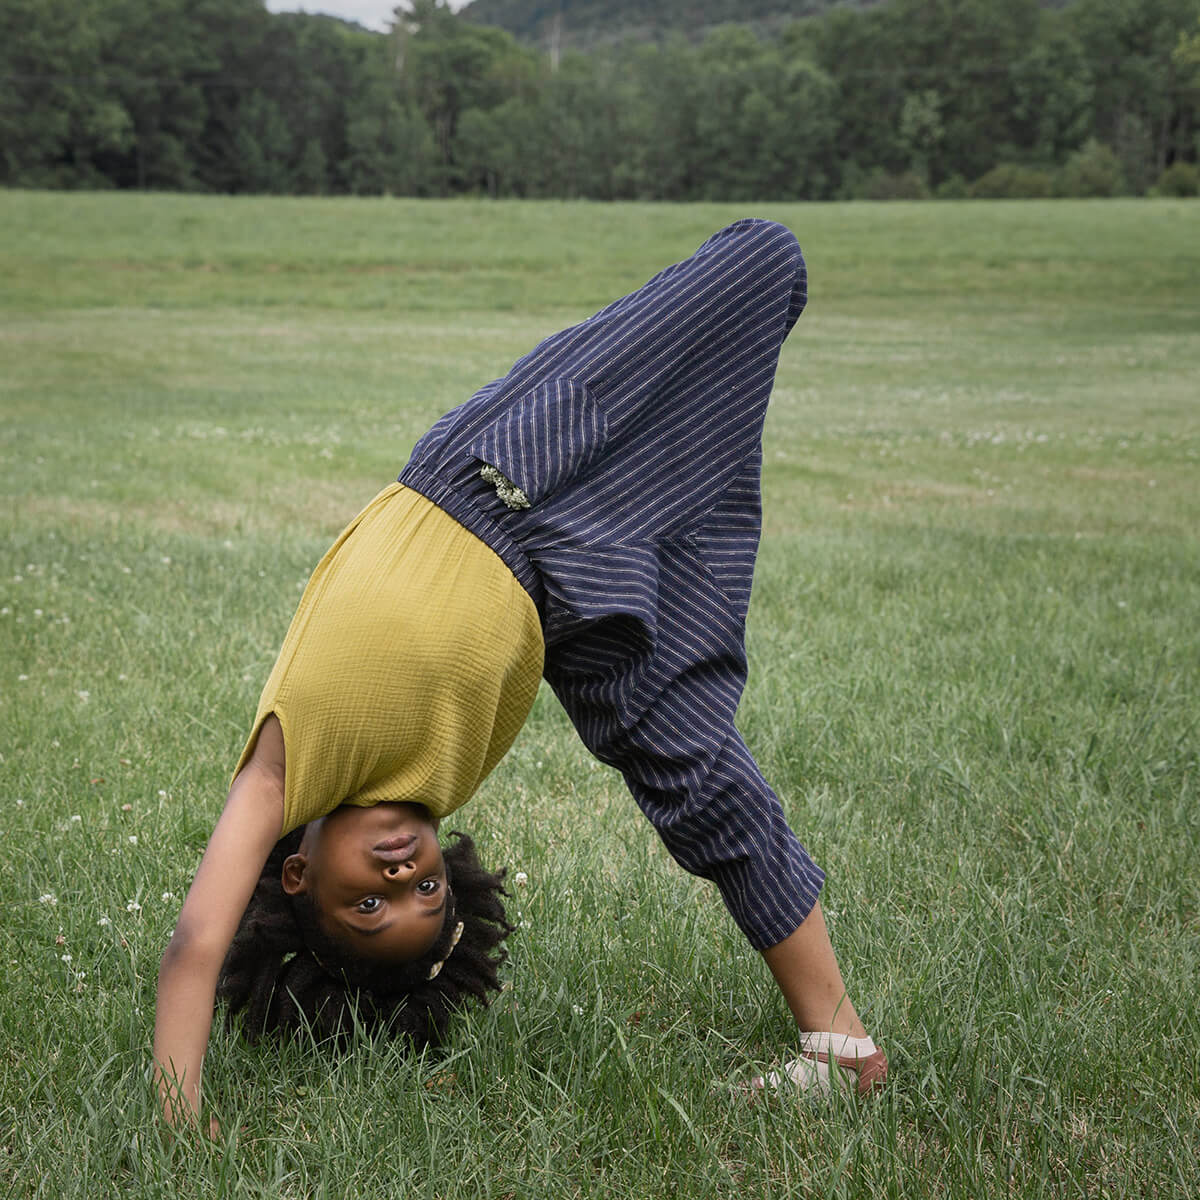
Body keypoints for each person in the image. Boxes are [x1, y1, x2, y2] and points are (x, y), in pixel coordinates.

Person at [153, 218, 887, 1130]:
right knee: (694, 766)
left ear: (298, 878)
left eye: (367, 901)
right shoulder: (433, 781)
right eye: (426, 892)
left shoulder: (279, 775)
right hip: (569, 611)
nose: (402, 874)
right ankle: (840, 1043)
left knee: (762, 259)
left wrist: (176, 1119)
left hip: (504, 473)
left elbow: (195, 943)